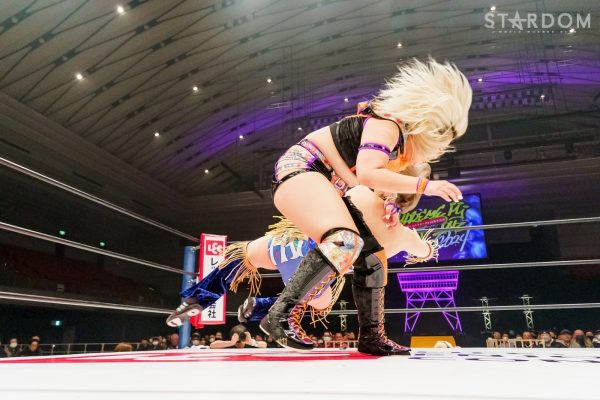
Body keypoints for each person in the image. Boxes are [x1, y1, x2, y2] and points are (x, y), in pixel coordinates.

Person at [261, 57, 471, 353]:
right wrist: (427, 186)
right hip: (302, 169)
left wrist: (390, 203)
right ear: (427, 129)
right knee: (345, 241)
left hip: (328, 184)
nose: (436, 152)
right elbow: (368, 174)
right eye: (439, 144)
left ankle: (372, 336)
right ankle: (280, 315)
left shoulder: (394, 141)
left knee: (372, 257)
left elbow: (371, 182)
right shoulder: (388, 127)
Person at [167, 168, 436, 356]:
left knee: (244, 255)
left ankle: (197, 298)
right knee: (322, 300)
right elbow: (424, 251)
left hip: (290, 238)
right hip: (314, 262)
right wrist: (422, 244)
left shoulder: (360, 191)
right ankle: (264, 307)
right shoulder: (402, 235)